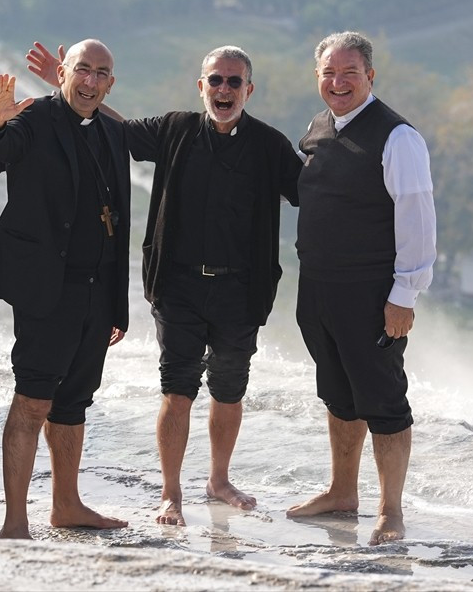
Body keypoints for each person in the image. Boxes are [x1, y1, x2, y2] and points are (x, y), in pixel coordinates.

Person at [26, 43, 302, 526]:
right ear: (201, 87)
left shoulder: (270, 145)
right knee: (177, 390)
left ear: (248, 90)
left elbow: (312, 192)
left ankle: (219, 480)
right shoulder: (175, 129)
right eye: (215, 80)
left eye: (234, 82)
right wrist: (69, 85)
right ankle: (171, 493)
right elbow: (117, 129)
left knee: (230, 391)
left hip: (242, 291)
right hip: (178, 287)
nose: (223, 89)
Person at [0, 39, 131, 540]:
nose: (89, 81)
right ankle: (15, 521)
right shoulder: (34, 118)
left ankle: (66, 505)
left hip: (97, 290)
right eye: (81, 70)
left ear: (111, 83)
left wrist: (117, 305)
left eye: (100, 73)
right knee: (33, 400)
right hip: (47, 289)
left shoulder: (111, 129)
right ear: (62, 72)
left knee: (74, 403)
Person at [287, 31, 436, 546]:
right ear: (318, 78)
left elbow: (417, 218)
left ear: (370, 76)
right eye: (329, 72)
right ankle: (341, 492)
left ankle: (390, 512)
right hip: (319, 288)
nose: (338, 82)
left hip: (373, 293)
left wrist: (405, 295)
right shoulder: (317, 127)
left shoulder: (398, 138)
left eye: (350, 72)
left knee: (383, 399)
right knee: (338, 394)